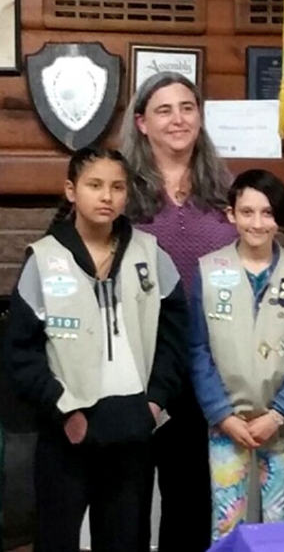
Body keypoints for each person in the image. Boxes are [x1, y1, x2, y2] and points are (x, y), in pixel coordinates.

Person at [3, 147, 186, 552]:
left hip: (133, 422)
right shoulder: (45, 260)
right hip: (68, 425)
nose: (107, 196)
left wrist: (155, 401)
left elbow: (176, 336)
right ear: (71, 191)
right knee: (57, 538)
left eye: (117, 187)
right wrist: (63, 408)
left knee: (123, 538)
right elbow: (21, 352)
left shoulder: (150, 253)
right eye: (95, 185)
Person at [121, 72, 236, 552]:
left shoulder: (224, 193)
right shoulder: (121, 189)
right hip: (136, 366)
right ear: (143, 122)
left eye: (187, 107)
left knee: (189, 502)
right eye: (164, 110)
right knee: (126, 501)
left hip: (203, 370)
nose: (178, 119)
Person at [188, 170, 284, 540]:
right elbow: (197, 349)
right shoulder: (210, 270)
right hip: (226, 425)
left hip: (280, 424)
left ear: (279, 218)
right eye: (247, 212)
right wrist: (222, 415)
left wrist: (278, 414)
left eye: (267, 213)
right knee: (227, 522)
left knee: (278, 523)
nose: (257, 223)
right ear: (231, 214)